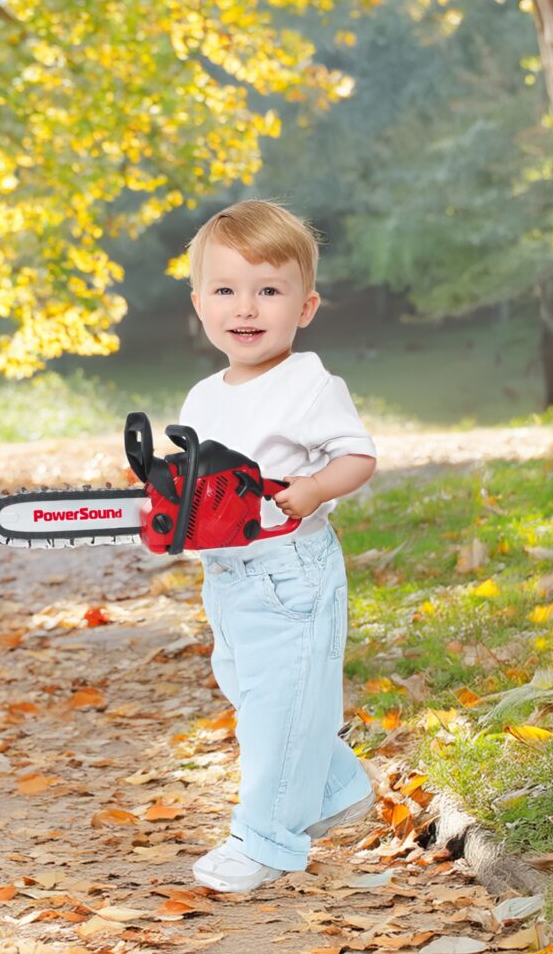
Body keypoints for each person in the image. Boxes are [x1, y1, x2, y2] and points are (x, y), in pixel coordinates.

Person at [178, 199, 378, 893]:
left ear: (305, 305)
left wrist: (317, 488)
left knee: (278, 708)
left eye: (269, 290)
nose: (247, 307)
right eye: (228, 290)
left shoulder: (308, 384)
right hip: (229, 576)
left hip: (291, 572)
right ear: (201, 301)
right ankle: (336, 784)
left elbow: (358, 456)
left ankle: (266, 840)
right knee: (253, 691)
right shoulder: (204, 396)